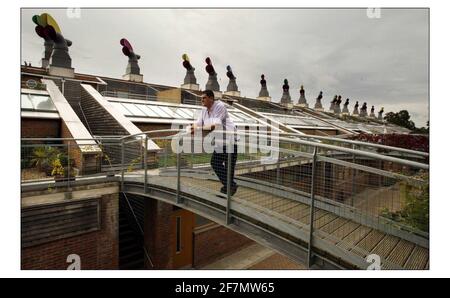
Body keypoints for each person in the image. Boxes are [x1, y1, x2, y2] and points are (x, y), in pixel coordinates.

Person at [190, 90, 238, 196]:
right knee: (215, 163)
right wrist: (193, 127)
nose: (202, 100)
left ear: (211, 98)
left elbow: (214, 126)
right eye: (201, 98)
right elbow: (197, 123)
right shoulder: (204, 110)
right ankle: (230, 187)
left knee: (229, 168)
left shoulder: (219, 106)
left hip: (230, 140)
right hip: (220, 141)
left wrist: (198, 129)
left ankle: (227, 190)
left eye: (204, 98)